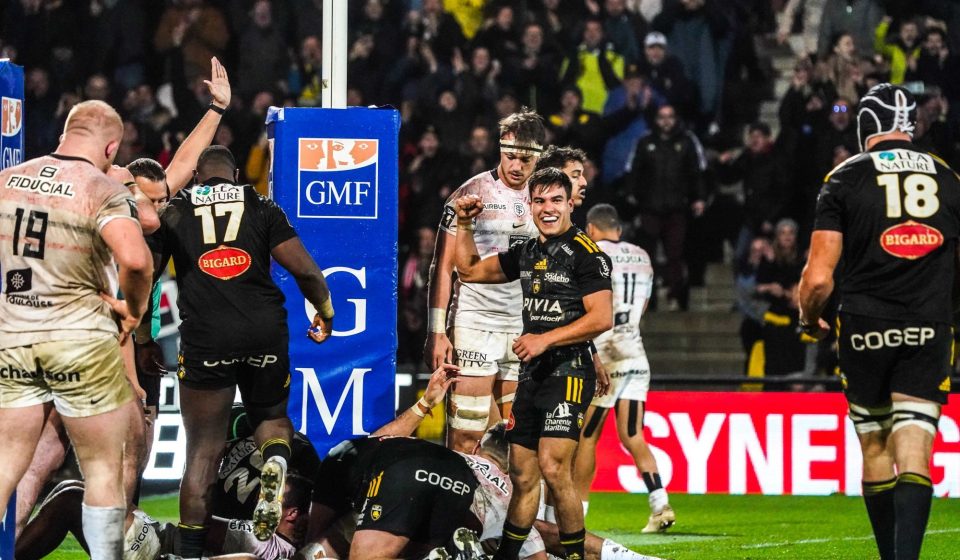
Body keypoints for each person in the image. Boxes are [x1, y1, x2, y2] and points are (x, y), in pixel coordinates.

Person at [12, 55, 234, 541]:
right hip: (90, 347)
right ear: (120, 182)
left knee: (79, 450)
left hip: (83, 343)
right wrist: (131, 375)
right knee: (82, 450)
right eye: (147, 197)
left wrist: (216, 110)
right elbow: (114, 306)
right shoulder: (106, 205)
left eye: (162, 197)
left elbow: (180, 166)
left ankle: (110, 531)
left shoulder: (147, 215)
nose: (157, 206)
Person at [798, 83, 960, 560]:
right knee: (915, 447)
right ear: (910, 124)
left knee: (875, 447)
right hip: (928, 326)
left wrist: (809, 320)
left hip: (865, 326)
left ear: (864, 125)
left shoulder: (845, 177)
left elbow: (818, 278)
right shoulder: (950, 178)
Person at [151, 145, 335, 554]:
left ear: (198, 177)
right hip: (263, 331)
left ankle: (189, 553)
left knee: (203, 450)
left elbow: (147, 277)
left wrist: (146, 339)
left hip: (206, 337)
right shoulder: (261, 204)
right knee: (271, 417)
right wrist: (325, 311)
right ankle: (276, 464)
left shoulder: (176, 211)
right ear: (236, 175)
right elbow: (305, 270)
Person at [0, 100, 154, 559]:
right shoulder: (102, 188)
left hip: (14, 337)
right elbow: (135, 259)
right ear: (111, 146)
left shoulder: (6, 181)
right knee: (103, 469)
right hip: (79, 343)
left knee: (6, 463)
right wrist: (133, 309)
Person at [453, 167, 613, 560]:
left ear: (570, 204)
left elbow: (601, 318)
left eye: (556, 200)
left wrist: (543, 339)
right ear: (529, 205)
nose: (547, 208)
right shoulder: (528, 252)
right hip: (532, 375)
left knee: (554, 469)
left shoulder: (588, 255)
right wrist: (463, 223)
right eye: (539, 200)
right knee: (524, 476)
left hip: (569, 373)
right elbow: (469, 269)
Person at [425, 109, 546, 453]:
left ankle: (516, 508)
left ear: (538, 157)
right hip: (475, 324)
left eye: (525, 159)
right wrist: (436, 332)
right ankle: (461, 507)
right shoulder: (473, 192)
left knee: (519, 442)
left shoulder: (545, 200)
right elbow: (442, 267)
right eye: (510, 156)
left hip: (524, 329)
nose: (516, 166)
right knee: (467, 436)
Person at [571, 204, 673, 534]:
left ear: (591, 227)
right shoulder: (643, 256)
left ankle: (578, 516)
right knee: (632, 435)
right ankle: (660, 505)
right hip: (636, 353)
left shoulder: (591, 252)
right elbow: (642, 307)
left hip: (607, 354)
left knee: (587, 436)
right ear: (618, 228)